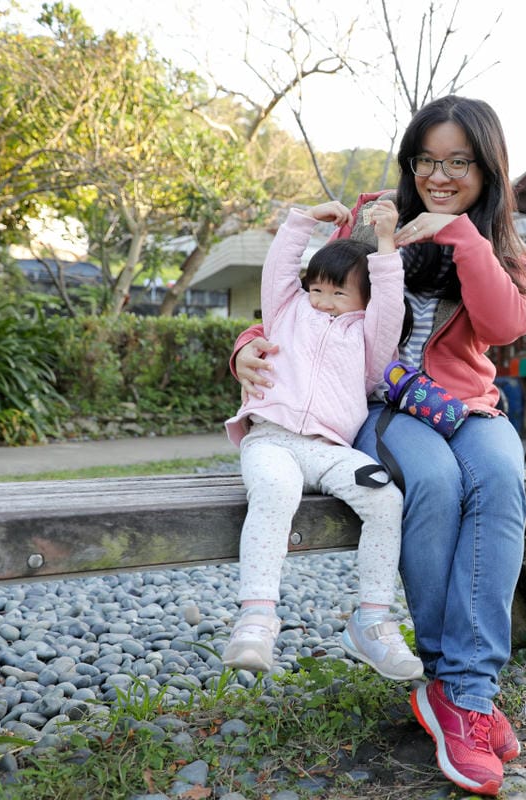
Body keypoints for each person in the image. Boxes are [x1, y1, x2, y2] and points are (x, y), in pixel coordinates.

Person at [231, 95, 526, 796]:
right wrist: (246, 347)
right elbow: (305, 302)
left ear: (487, 168)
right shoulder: (376, 222)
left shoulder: (495, 244)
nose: (439, 173)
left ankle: (463, 689)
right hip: (379, 403)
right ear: (409, 162)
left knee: (500, 481)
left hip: (466, 406)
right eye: (426, 159)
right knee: (428, 482)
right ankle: (460, 687)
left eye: (459, 161)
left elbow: (504, 323)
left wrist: (459, 234)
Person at [222, 199, 423, 683]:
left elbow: (390, 300)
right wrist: (303, 220)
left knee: (385, 500)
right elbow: (279, 270)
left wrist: (387, 241)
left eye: (338, 293)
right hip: (271, 439)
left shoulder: (372, 339)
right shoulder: (288, 311)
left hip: (331, 450)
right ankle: (257, 616)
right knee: (275, 491)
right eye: (316, 289)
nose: (323, 300)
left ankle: (373, 619)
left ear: (363, 300)